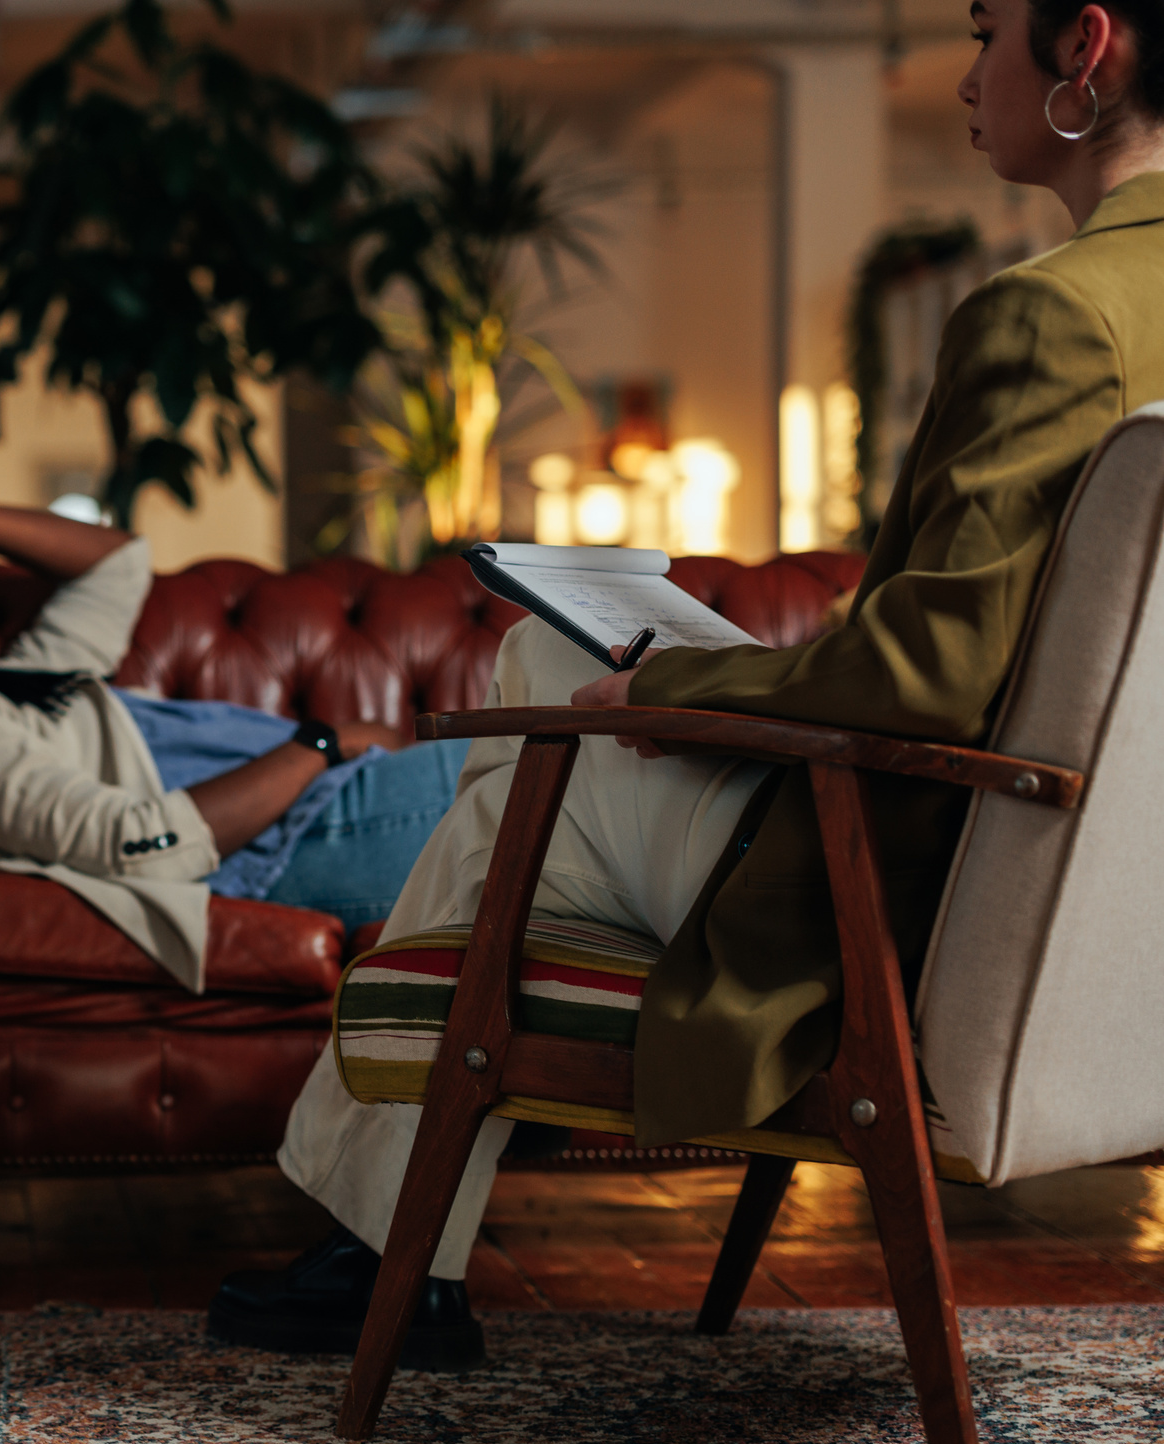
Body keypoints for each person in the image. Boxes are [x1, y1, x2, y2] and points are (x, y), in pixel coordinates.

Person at [211, 0, 1164, 1368]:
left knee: (540, 685)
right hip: (1102, 921)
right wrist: (738, 672)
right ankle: (380, 1256)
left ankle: (384, 1256)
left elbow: (933, 673)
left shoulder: (1049, 318)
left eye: (981, 32)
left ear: (1085, 44)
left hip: (893, 897)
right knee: (547, 735)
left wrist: (694, 686)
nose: (961, 74)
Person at [0, 478, 470, 992]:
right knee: (548, 765)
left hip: (337, 807)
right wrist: (322, 744)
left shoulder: (6, 683)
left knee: (551, 768)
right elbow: (127, 843)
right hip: (299, 843)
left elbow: (117, 562)